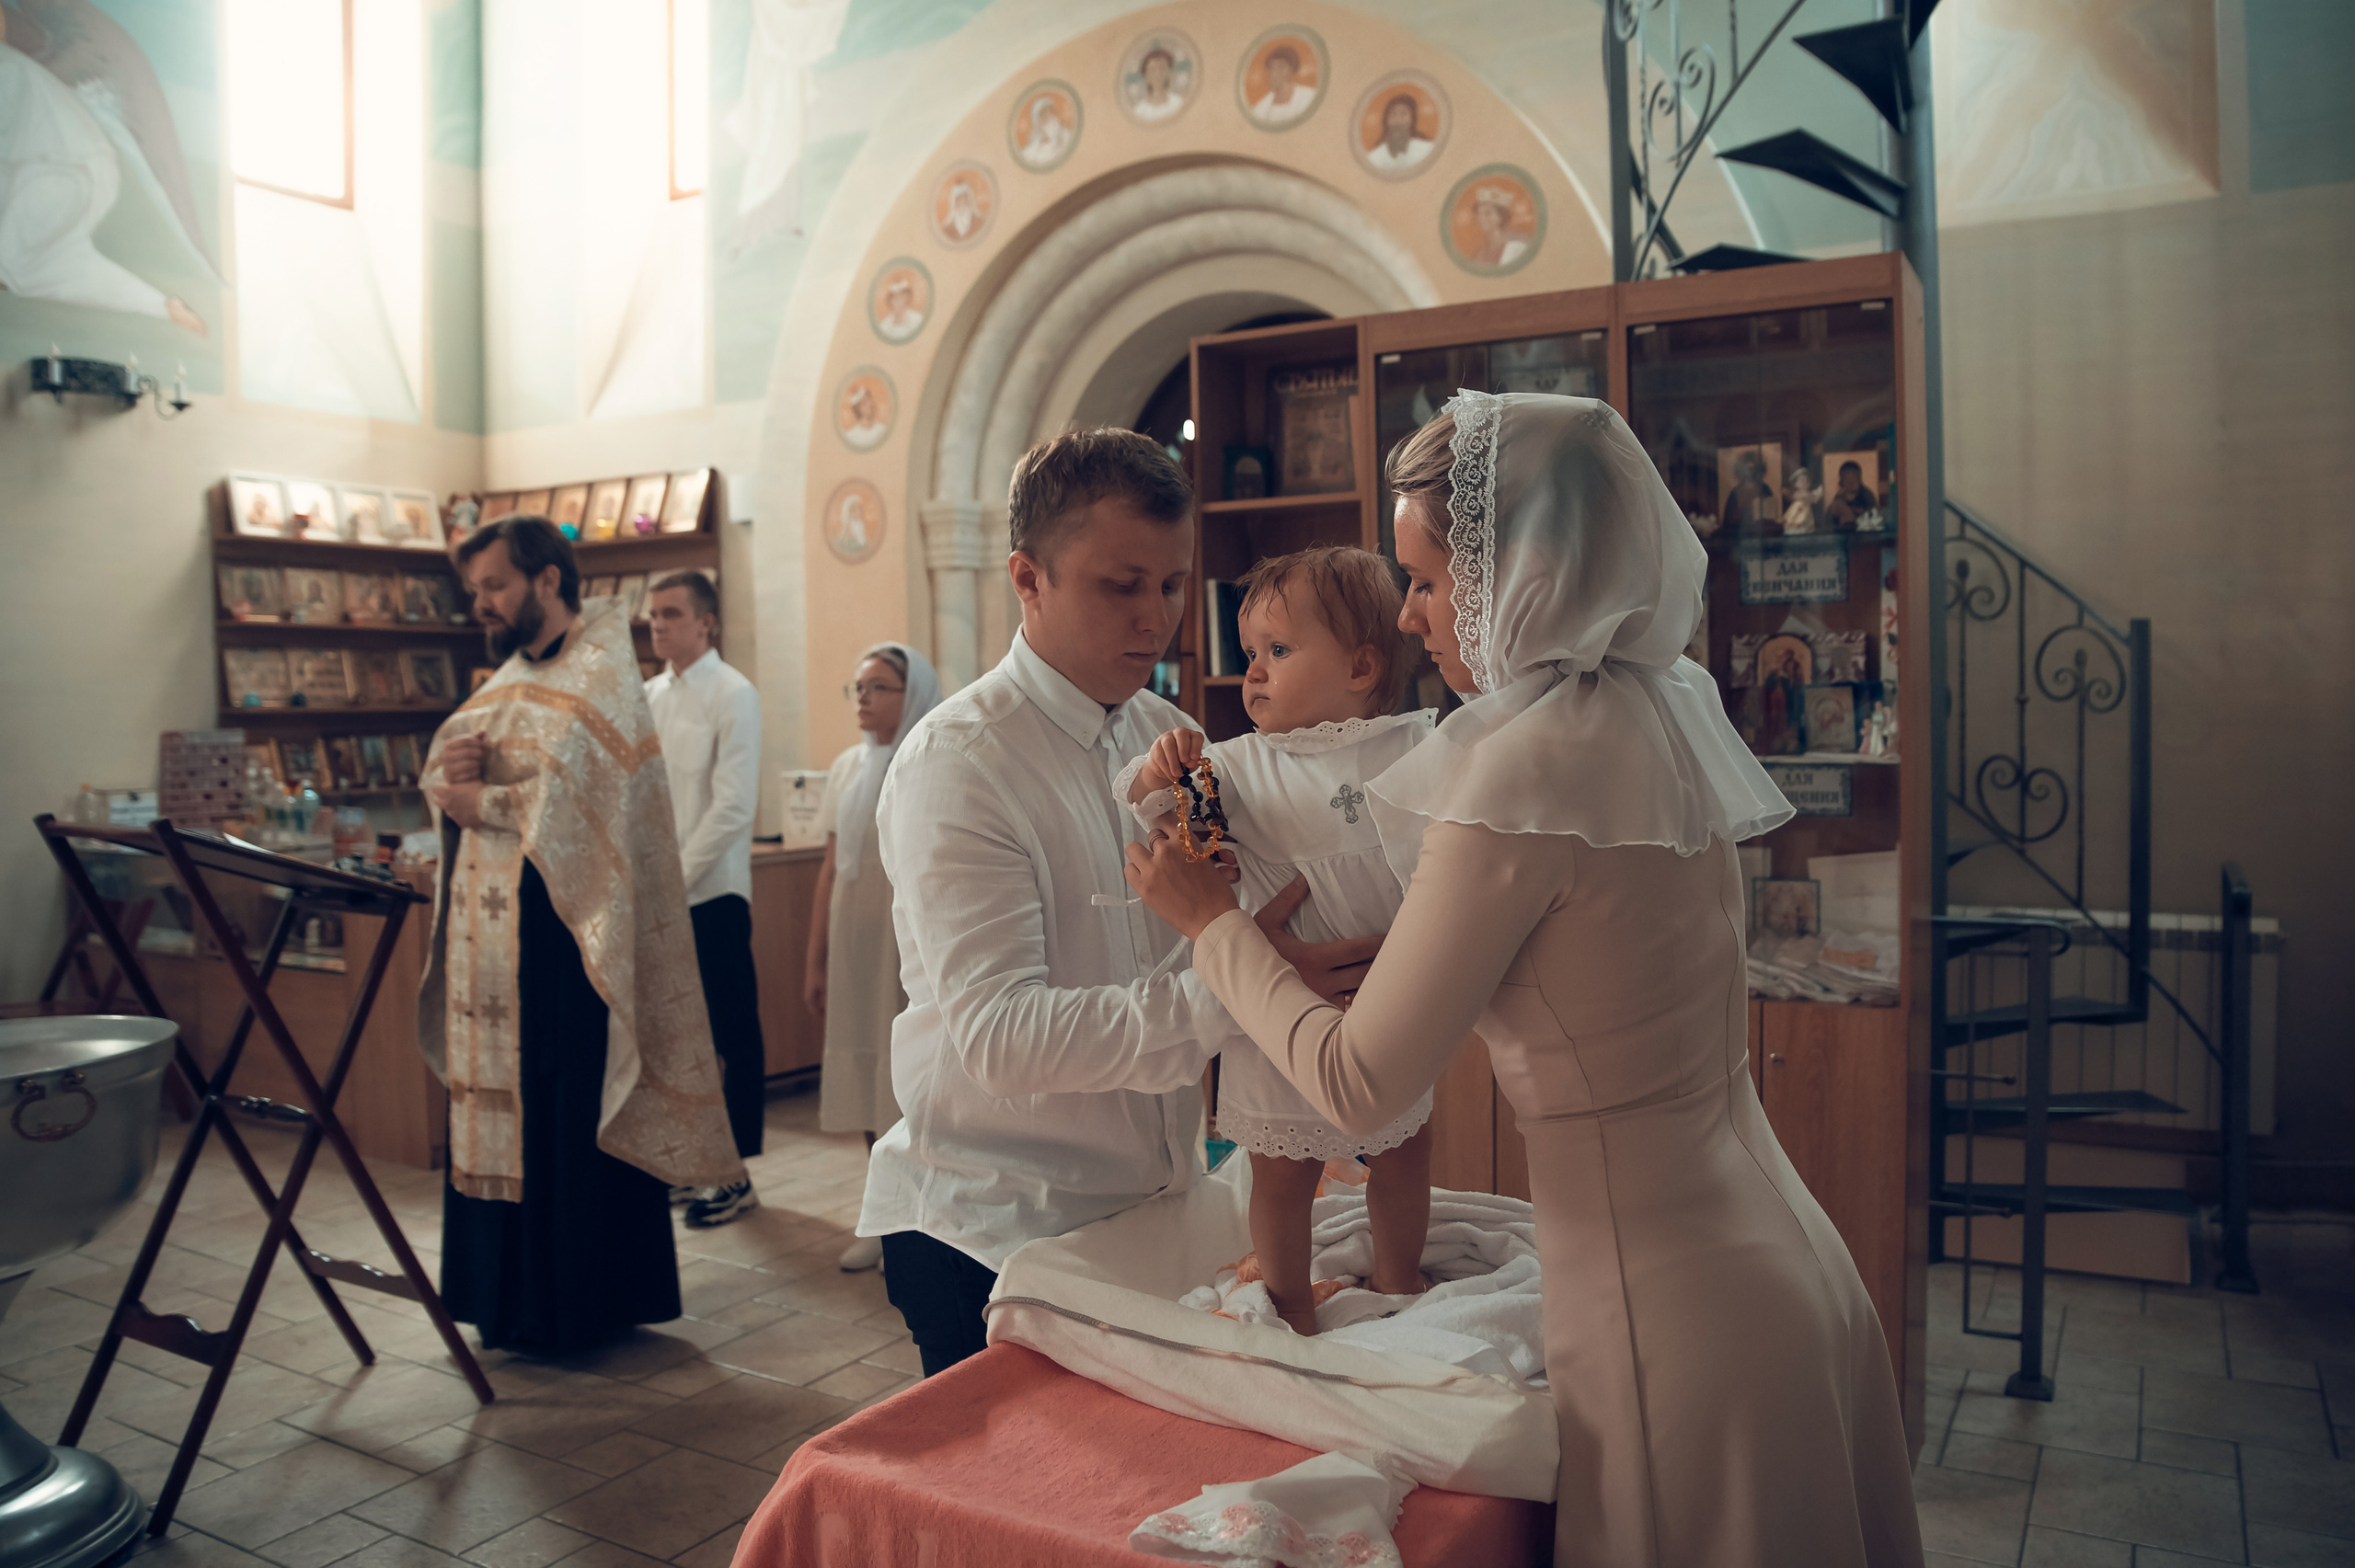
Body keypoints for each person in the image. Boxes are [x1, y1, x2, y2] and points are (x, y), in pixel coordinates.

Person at [1124, 393, 1924, 1567]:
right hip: (1774, 1250)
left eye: (1428, 582)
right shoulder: (1660, 707)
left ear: (1525, 575)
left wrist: (1210, 923)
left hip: (1668, 1311)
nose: (1409, 614)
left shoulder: (1518, 779)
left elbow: (1355, 1084)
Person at [854, 428, 1376, 1376]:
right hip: (996, 1228)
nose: (1157, 616)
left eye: (1172, 584)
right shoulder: (958, 765)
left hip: (1152, 1206)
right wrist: (1247, 978)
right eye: (1120, 584)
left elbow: (1210, 934)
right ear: (1028, 578)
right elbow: (1005, 1041)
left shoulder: (1171, 735)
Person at [419, 515, 743, 1357]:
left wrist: (477, 802)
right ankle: (505, 1300)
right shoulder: (511, 678)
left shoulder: (602, 674)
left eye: (494, 585)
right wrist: (453, 780)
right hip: (496, 958)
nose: (483, 603)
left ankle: (577, 1306)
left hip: (571, 954)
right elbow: (455, 760)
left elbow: (570, 810)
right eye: (476, 590)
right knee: (508, 1114)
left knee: (564, 1114)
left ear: (547, 581)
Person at [1120, 546, 1434, 1336]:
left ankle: (1399, 1277)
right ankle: (1289, 1296)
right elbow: (1145, 802)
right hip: (1275, 1005)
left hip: (1384, 999)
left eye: (1279, 651)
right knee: (1280, 1171)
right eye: (1251, 653)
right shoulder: (1237, 763)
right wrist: (1158, 767)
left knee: (1404, 1152)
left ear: (1363, 665)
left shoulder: (1411, 749)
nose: (1254, 672)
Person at [806, 642, 942, 1271]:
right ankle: (879, 1212)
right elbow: (832, 865)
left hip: (904, 938)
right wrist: (816, 958)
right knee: (863, 1068)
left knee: (905, 1068)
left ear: (910, 692)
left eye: (878, 686)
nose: (863, 698)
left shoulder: (931, 760)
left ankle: (917, 1214)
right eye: (857, 687)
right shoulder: (843, 768)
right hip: (854, 937)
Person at [645, 569, 767, 1228]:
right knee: (672, 1042)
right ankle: (690, 1161)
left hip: (712, 893)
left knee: (727, 1035)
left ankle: (734, 1172)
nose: (657, 625)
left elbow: (732, 807)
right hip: (659, 900)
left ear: (705, 621)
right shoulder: (648, 696)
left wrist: (673, 880)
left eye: (670, 613)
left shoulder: (733, 692)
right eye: (653, 615)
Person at [1364, 92, 1433, 171]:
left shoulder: (1427, 150)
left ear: (1412, 120)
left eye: (1403, 114)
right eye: (1393, 114)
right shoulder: (1374, 158)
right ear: (1386, 121)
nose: (1398, 121)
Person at [1468, 185, 1529, 268]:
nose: (1481, 218)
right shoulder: (1478, 253)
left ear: (1501, 217)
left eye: (1487, 213)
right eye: (1479, 213)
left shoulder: (1516, 247)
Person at [1249, 44, 1313, 124]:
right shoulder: (1261, 108)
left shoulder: (1308, 96)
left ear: (1292, 69)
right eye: (1272, 67)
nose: (1275, 73)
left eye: (1281, 66)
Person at [1131, 45, 1183, 120]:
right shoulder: (1140, 111)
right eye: (1152, 70)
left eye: (1162, 68)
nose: (1157, 74)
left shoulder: (1177, 102)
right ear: (1146, 76)